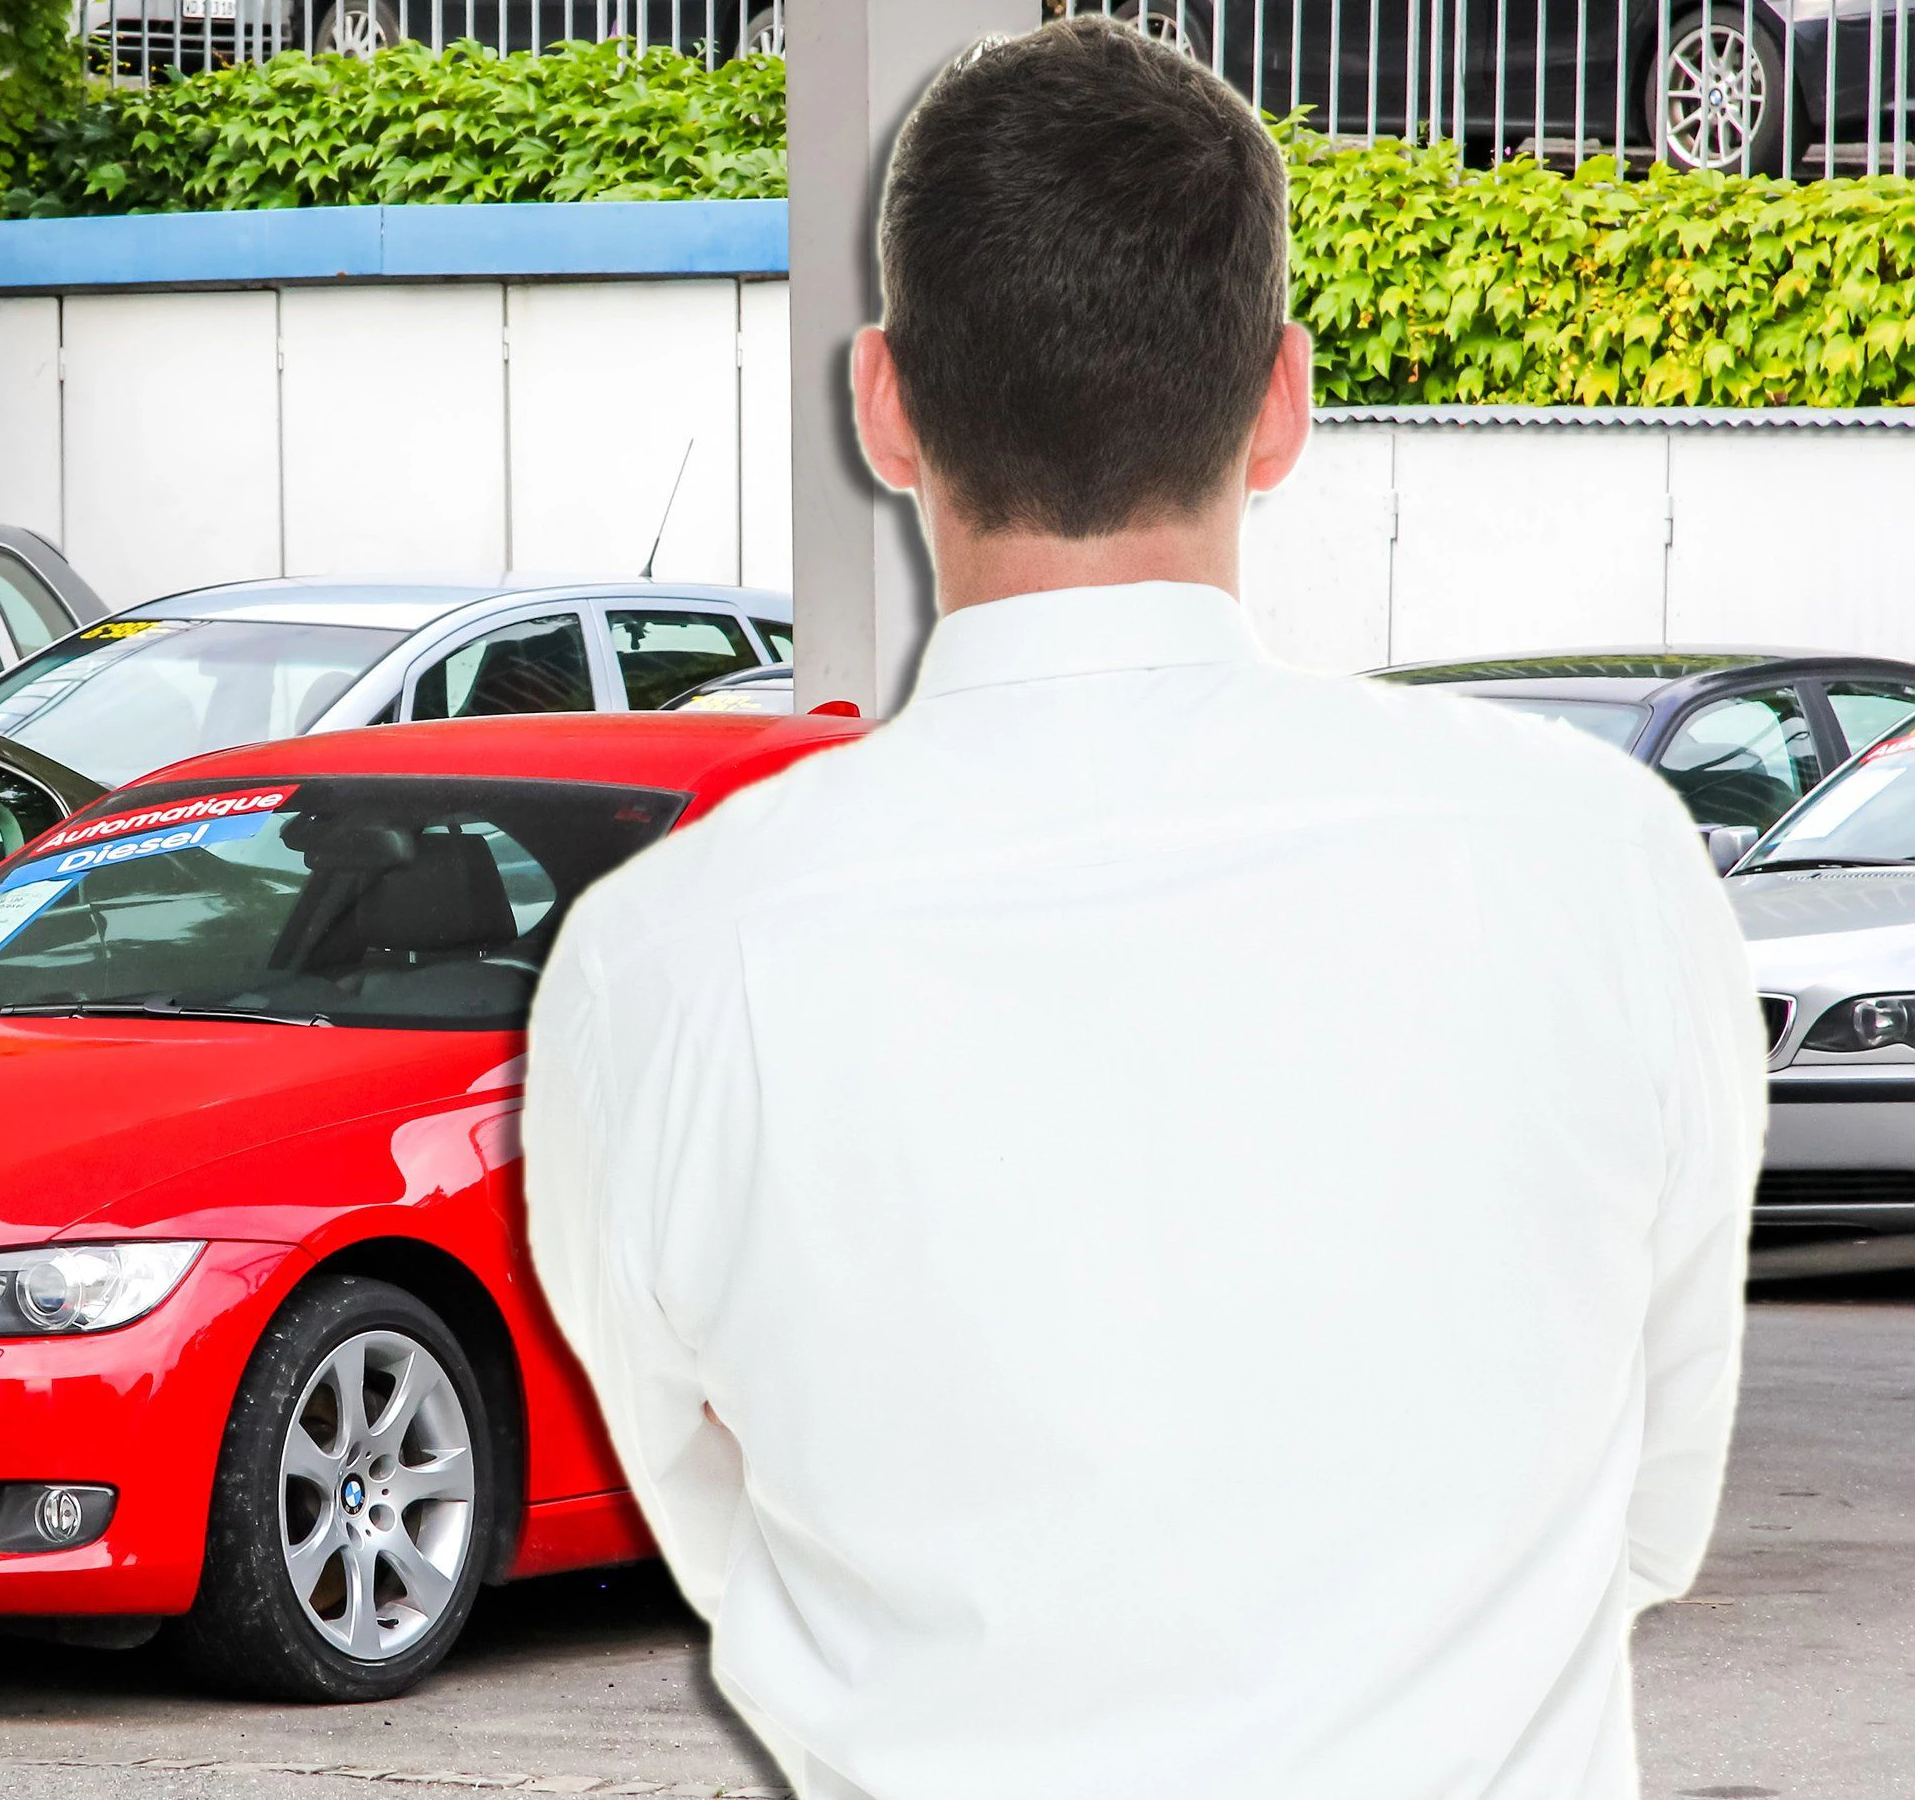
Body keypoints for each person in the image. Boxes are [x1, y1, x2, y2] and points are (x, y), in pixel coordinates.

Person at [521, 19, 1762, 1800]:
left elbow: (719, 1532)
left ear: (884, 403)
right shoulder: (1599, 862)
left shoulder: (662, 962)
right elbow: (1651, 1521)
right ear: (1282, 401)